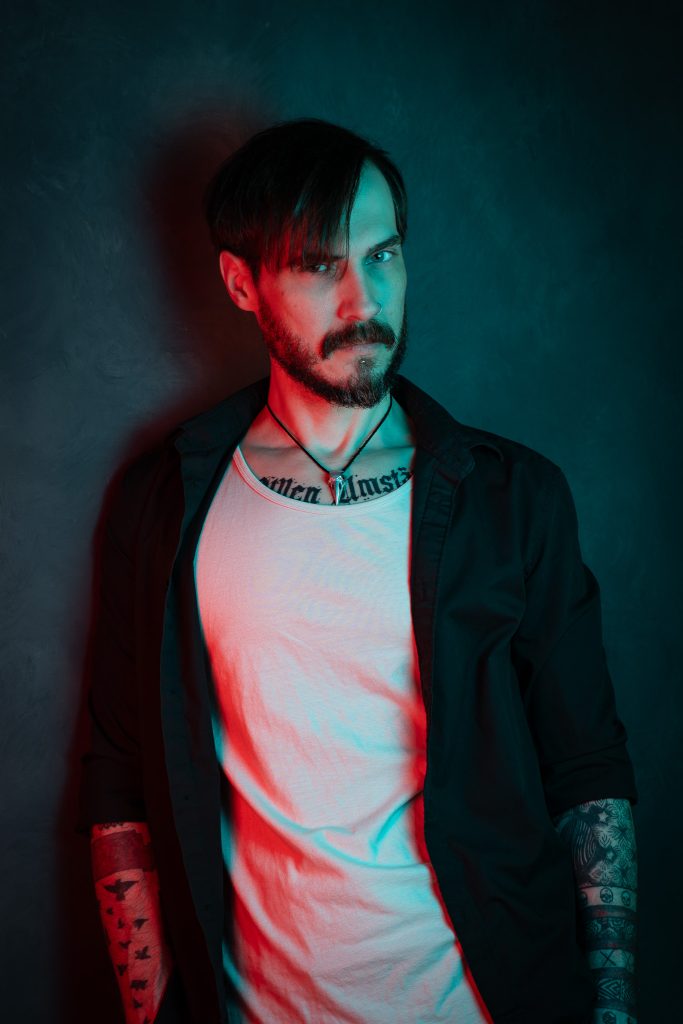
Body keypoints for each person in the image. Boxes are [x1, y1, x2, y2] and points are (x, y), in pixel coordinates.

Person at [77, 118, 639, 1024]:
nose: (362, 301)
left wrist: (609, 1008)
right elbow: (120, 780)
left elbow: (586, 771)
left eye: (382, 256)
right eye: (317, 266)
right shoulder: (163, 504)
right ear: (240, 283)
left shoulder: (514, 497)